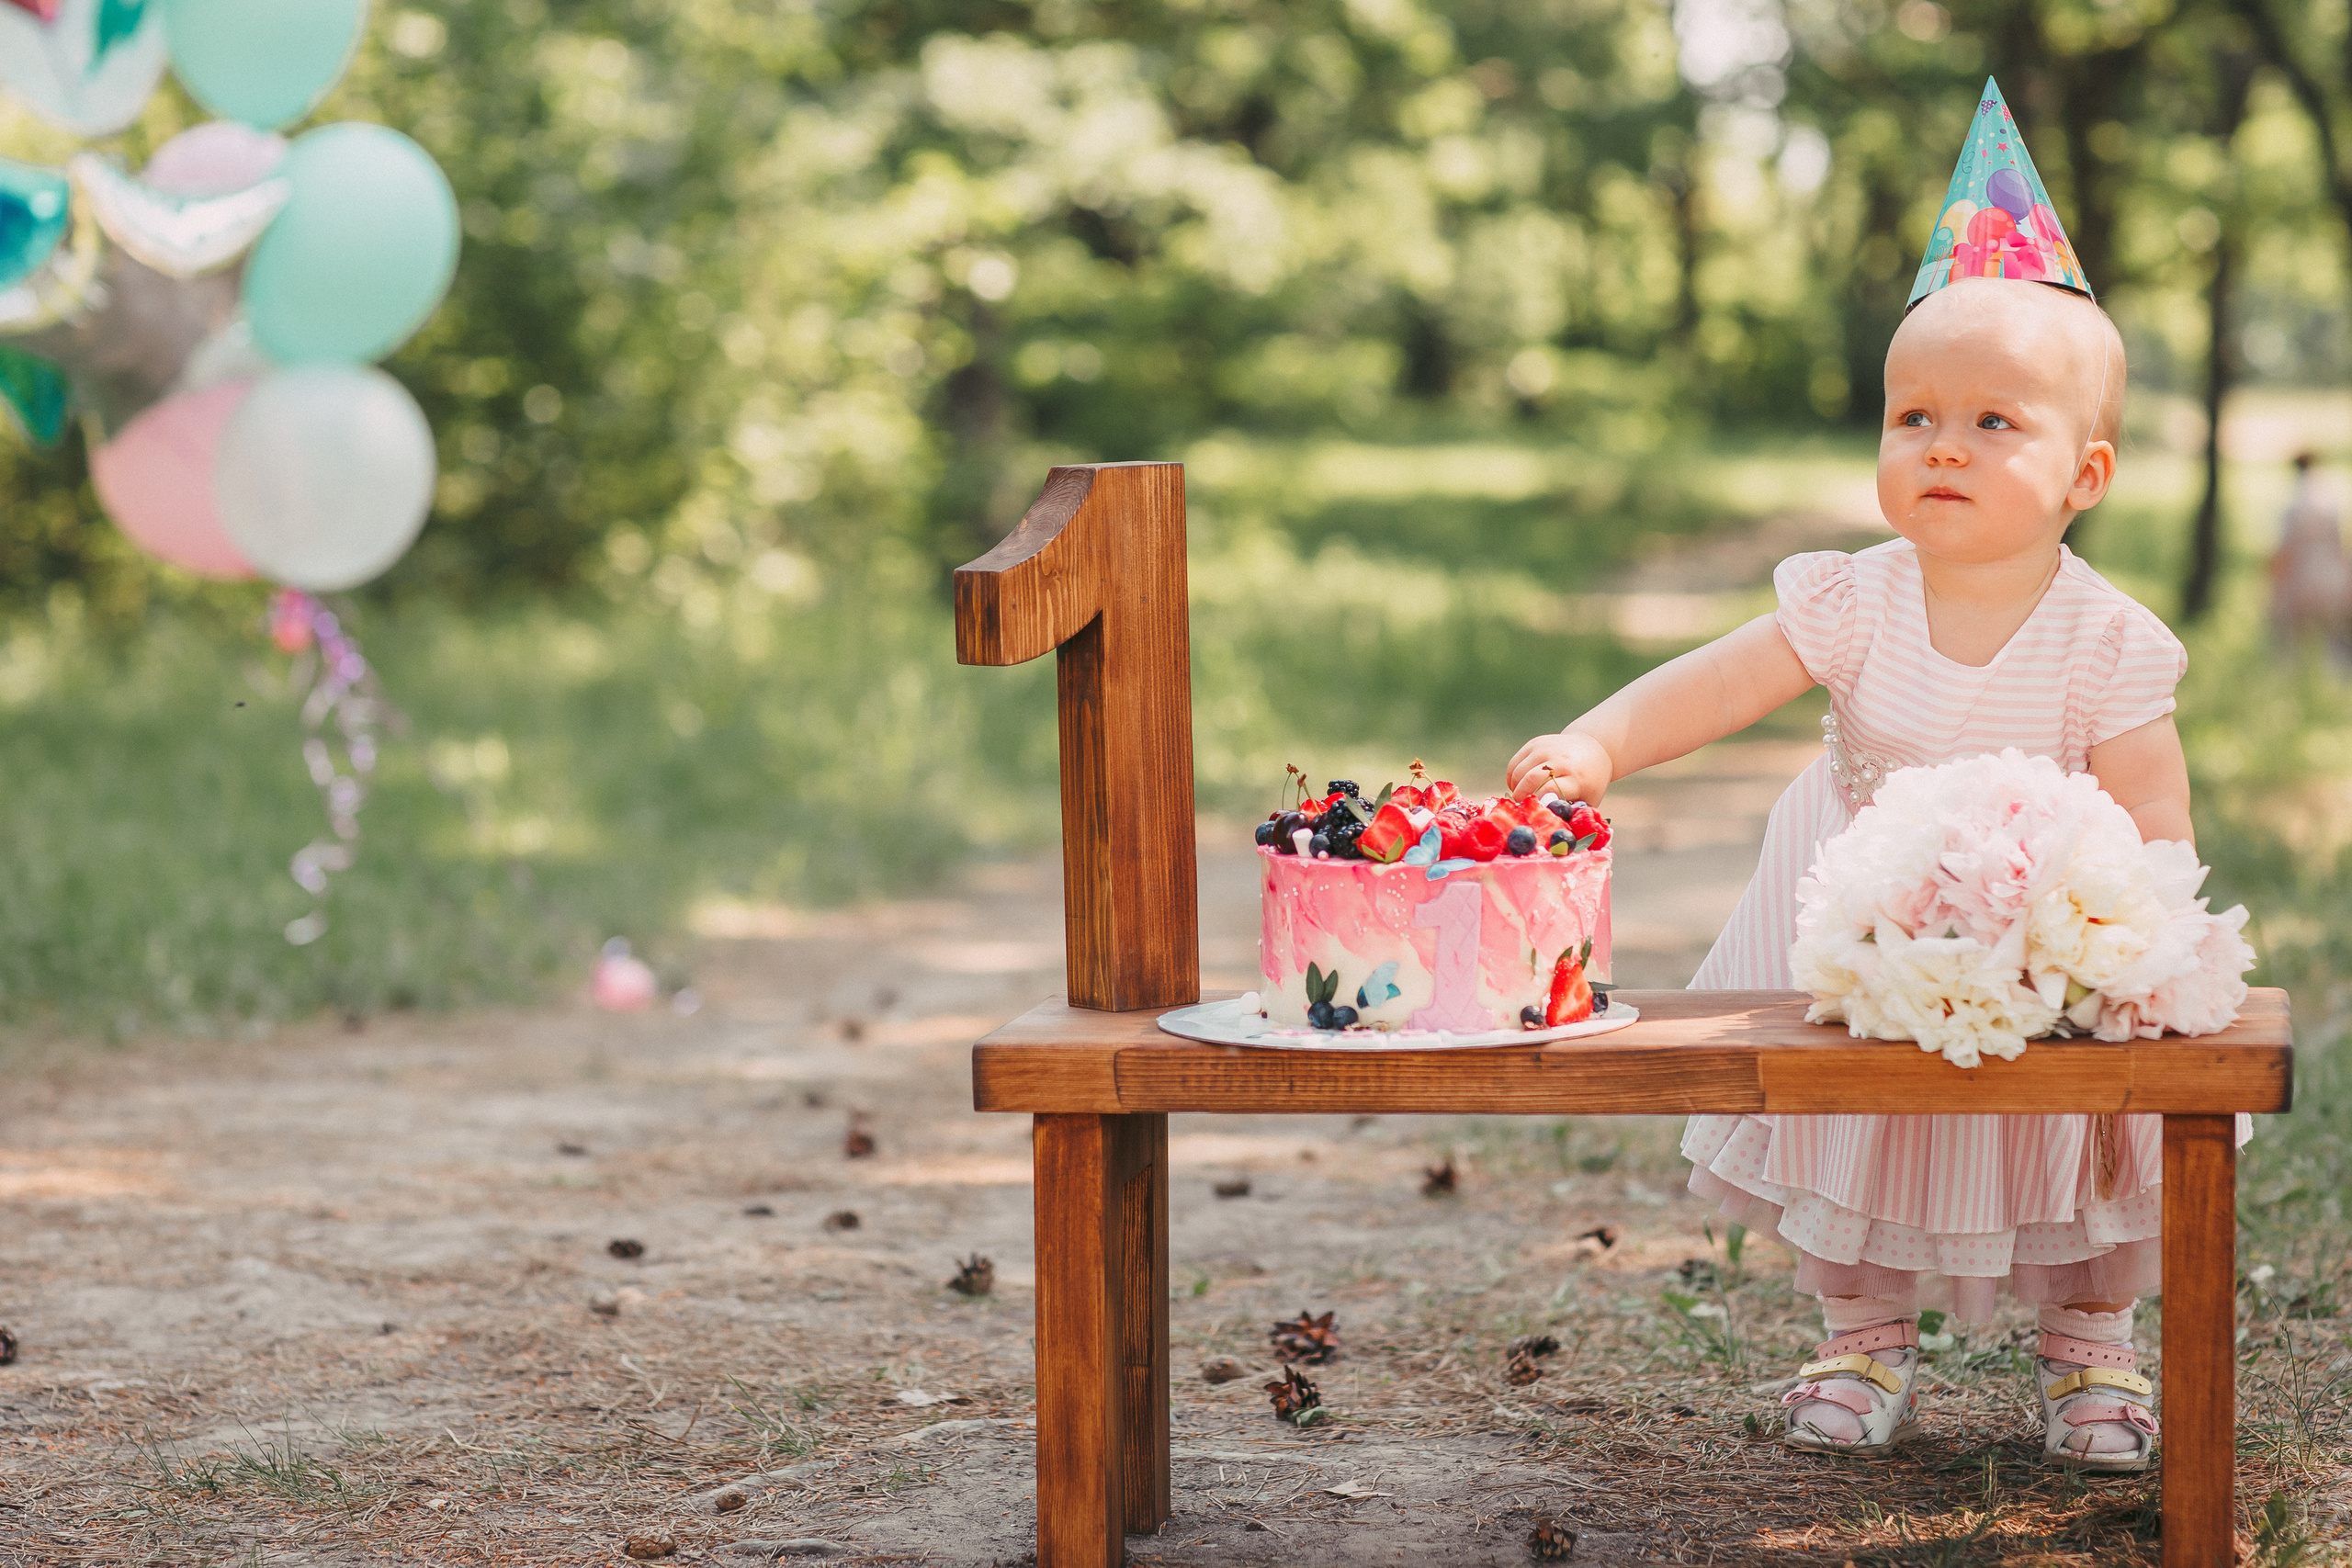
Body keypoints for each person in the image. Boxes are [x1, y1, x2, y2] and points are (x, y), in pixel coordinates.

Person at [1503, 81, 2200, 1473]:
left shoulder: (2107, 639)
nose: (1943, 444)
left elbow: (2153, 806)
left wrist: (2141, 938)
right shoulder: (1853, 598)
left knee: (2074, 1132)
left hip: (2033, 927)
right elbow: (1716, 681)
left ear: (2086, 473)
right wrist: (1598, 743)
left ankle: (2091, 1349)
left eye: (1994, 422)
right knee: (1854, 1119)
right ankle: (1860, 1334)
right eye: (1912, 415)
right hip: (1856, 914)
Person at [2270, 450, 2350, 669]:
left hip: (2302, 574)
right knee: (2333, 638)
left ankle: (2290, 675)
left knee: (2290, 638)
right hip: (2330, 574)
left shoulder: (2293, 502)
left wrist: (2277, 583)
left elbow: (2287, 546)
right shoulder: (2329, 499)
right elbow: (2338, 542)